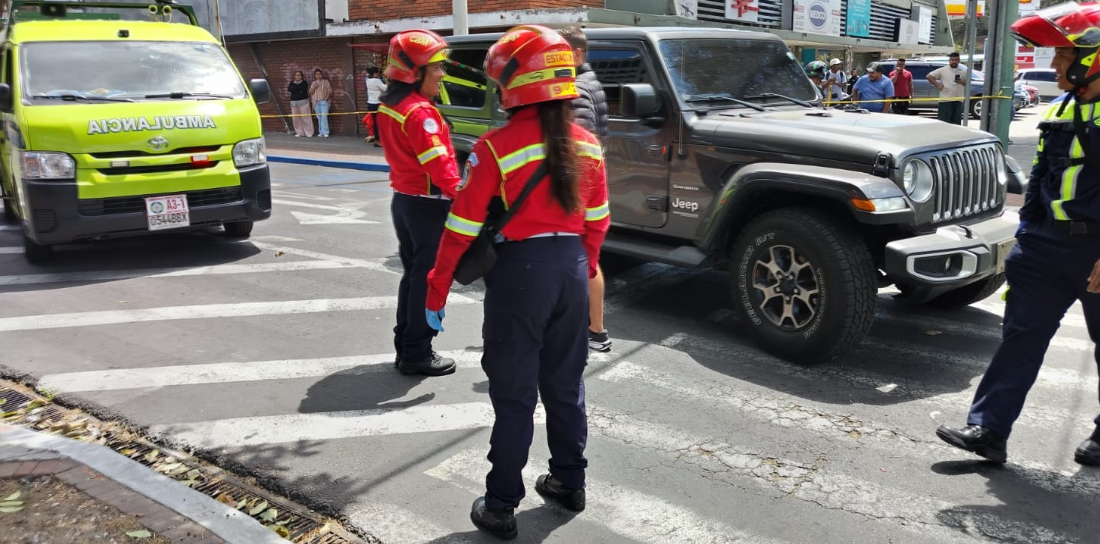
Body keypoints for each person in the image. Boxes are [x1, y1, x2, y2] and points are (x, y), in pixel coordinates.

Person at [424, 24, 610, 539]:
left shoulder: (494, 147)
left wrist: (436, 289)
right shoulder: (588, 144)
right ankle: (570, 482)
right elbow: (598, 222)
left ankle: (502, 503)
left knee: (514, 395)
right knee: (566, 386)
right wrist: (582, 265)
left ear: (512, 85)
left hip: (520, 277)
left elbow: (461, 227)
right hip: (571, 271)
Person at [936, 1, 1100, 467]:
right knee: (1020, 339)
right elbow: (1041, 179)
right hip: (1044, 249)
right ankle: (988, 430)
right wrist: (1025, 240)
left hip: (1096, 250)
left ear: (1094, 58)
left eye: (1064, 57)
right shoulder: (1061, 107)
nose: (1055, 65)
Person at [376, 29, 462, 377]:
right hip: (428, 207)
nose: (442, 74)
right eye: (436, 67)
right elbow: (441, 169)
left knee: (413, 277)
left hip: (405, 203)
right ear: (415, 71)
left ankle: (406, 346)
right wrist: (469, 198)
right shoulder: (419, 114)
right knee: (426, 278)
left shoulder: (391, 106)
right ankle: (416, 352)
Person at [558, 25, 613, 352]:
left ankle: (591, 331)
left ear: (576, 54)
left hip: (579, 188)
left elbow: (576, 142)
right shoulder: (590, 81)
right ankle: (596, 331)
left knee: (580, 260)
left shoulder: (576, 87)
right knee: (587, 258)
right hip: (591, 184)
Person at [926, 52, 969, 124]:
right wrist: (938, 85)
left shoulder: (963, 71)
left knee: (956, 123)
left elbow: (967, 84)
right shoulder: (943, 70)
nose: (954, 61)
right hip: (946, 100)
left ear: (959, 60)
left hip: (958, 100)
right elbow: (929, 76)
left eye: (956, 60)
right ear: (949, 61)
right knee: (944, 122)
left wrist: (962, 82)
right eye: (952, 60)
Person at [287, 71, 313, 137]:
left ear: (301, 76)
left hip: (303, 102)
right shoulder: (292, 83)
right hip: (294, 103)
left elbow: (303, 89)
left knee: (306, 117)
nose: (297, 76)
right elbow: (289, 89)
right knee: (296, 118)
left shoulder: (304, 82)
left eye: (299, 75)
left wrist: (295, 89)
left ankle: (309, 132)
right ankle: (299, 132)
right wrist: (298, 89)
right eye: (296, 75)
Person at [365, 67, 386, 146]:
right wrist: (388, 83)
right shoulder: (377, 81)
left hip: (370, 103)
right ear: (375, 73)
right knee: (379, 123)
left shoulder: (368, 80)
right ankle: (378, 140)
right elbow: (385, 89)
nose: (378, 74)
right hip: (377, 104)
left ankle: (377, 139)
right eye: (378, 72)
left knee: (375, 122)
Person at [310, 69, 332, 137]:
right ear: (315, 75)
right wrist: (314, 87)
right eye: (317, 74)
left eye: (319, 74)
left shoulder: (326, 82)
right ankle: (321, 132)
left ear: (321, 75)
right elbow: (311, 92)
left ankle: (326, 132)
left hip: (324, 101)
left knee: (324, 116)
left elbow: (330, 91)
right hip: (316, 102)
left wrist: (326, 98)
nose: (318, 75)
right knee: (319, 117)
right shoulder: (314, 83)